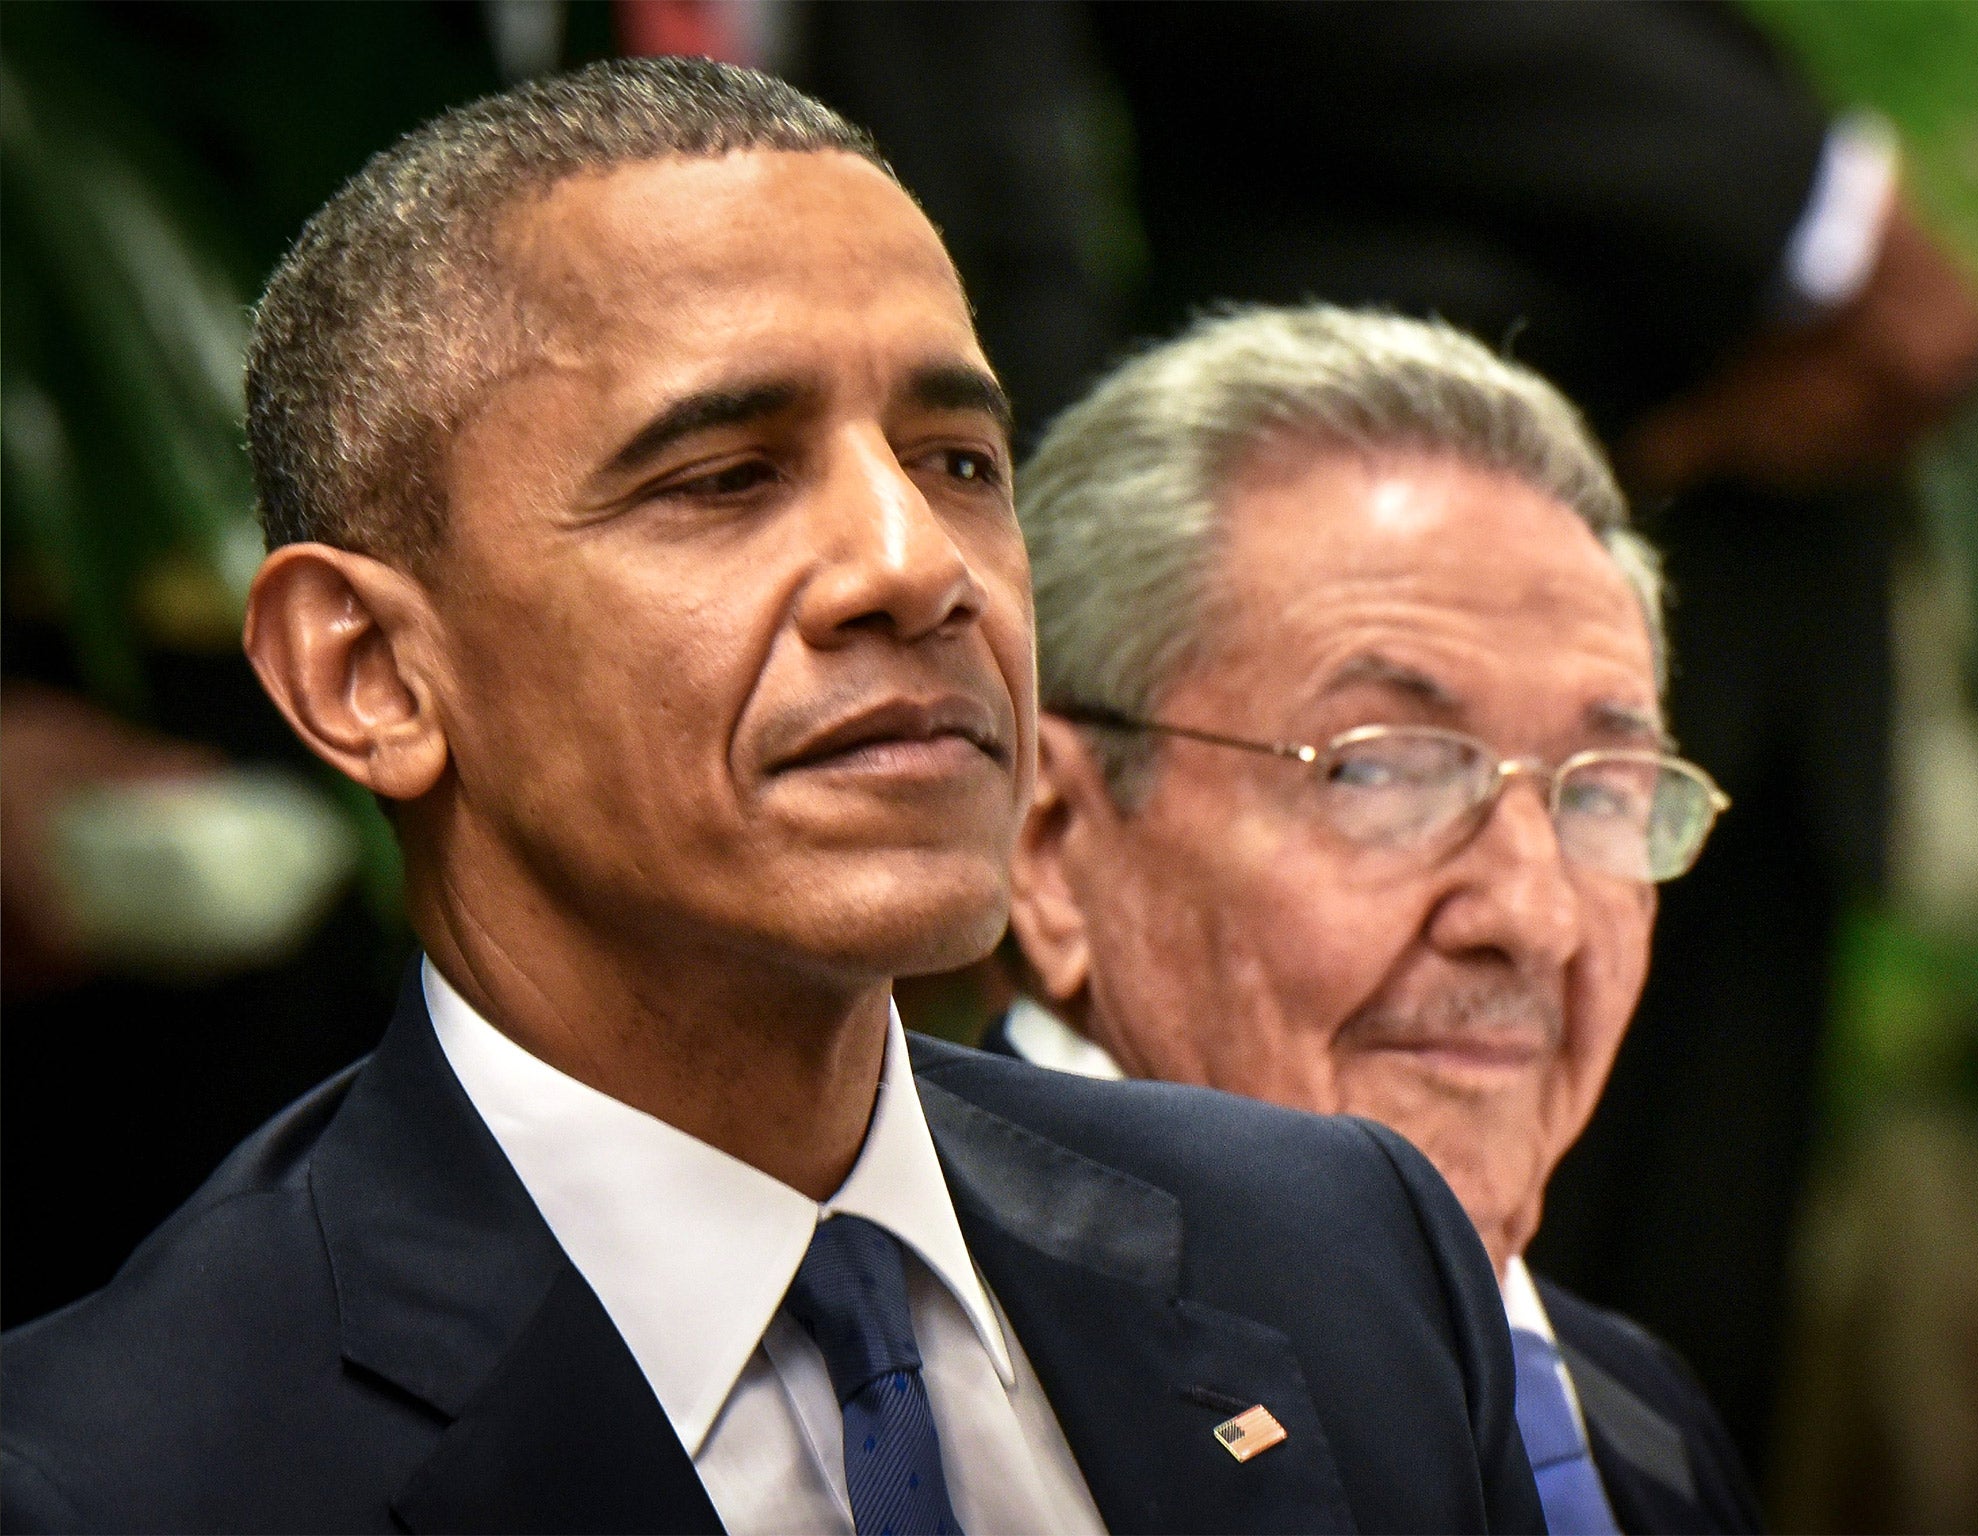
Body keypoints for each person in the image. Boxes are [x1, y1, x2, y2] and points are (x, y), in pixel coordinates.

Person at [0, 60, 1541, 1535]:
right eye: (725, 477)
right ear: (370, 675)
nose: (917, 568)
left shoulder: (1343, 1255)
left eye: (956, 462)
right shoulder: (120, 1478)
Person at [994, 304, 1760, 1533]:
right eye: (1383, 768)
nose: (1534, 914)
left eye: (1603, 791)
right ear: (1045, 844)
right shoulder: (914, 1385)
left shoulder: (1647, 1422)